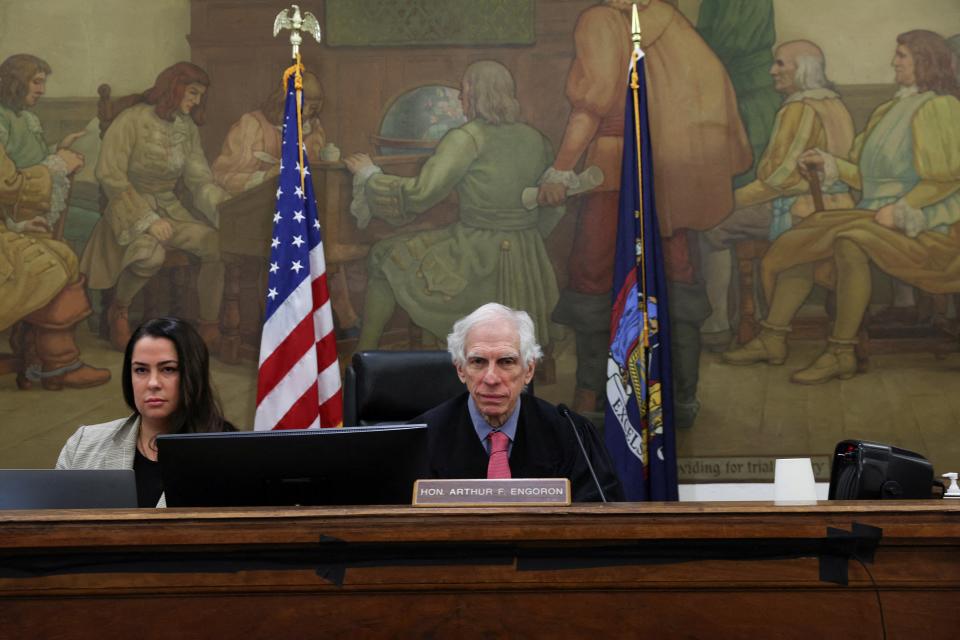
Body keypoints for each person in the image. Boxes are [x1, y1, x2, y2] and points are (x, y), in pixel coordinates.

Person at [537, 0, 752, 423]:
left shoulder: (599, 21)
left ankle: (591, 398)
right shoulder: (672, 21)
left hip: (613, 175)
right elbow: (709, 95)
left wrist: (560, 170)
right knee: (676, 277)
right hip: (670, 180)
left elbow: (592, 105)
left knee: (595, 277)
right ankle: (681, 397)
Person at [723, 30, 960, 384]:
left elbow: (945, 179)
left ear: (925, 62)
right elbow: (867, 176)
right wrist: (827, 163)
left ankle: (841, 351)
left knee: (847, 242)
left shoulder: (941, 107)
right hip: (877, 217)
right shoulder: (889, 109)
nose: (894, 62)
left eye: (902, 56)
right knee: (807, 238)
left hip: (931, 224)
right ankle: (773, 337)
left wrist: (903, 208)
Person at [344, 60, 563, 352]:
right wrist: (521, 233)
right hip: (529, 262)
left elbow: (420, 194)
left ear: (476, 94)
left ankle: (364, 355)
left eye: (464, 90)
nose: (460, 97)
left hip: (477, 259)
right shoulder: (537, 140)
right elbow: (553, 208)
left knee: (383, 256)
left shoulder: (466, 138)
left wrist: (370, 176)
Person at [701, 40, 855, 346]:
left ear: (804, 71)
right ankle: (747, 313)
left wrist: (732, 201)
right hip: (838, 206)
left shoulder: (800, 108)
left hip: (803, 210)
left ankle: (717, 320)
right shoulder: (834, 103)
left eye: (781, 64)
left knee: (711, 224)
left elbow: (780, 179)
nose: (773, 71)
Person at [80, 62, 229, 352]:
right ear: (174, 88)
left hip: (172, 212)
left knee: (216, 244)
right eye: (193, 92)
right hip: (126, 211)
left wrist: (223, 213)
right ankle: (119, 310)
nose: (197, 100)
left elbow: (200, 182)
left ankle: (209, 325)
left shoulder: (186, 129)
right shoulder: (132, 120)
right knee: (149, 255)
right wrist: (147, 220)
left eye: (201, 95)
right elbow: (109, 174)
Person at [412, 303, 624, 502]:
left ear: (529, 370)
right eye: (478, 361)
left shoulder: (572, 434)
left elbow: (600, 522)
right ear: (460, 369)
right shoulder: (422, 438)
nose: (491, 378)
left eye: (506, 362)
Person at [211, 71, 359, 336]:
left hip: (299, 211)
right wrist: (268, 176)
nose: (312, 111)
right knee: (279, 249)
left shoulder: (313, 129)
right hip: (252, 212)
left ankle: (342, 318)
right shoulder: (251, 125)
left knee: (328, 245)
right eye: (306, 103)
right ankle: (280, 328)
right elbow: (223, 175)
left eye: (316, 106)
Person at [0, 53, 110, 390]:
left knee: (63, 255)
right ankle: (54, 363)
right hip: (8, 222)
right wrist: (56, 165)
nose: (43, 90)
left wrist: (57, 154)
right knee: (46, 263)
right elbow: (8, 185)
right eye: (37, 82)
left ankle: (53, 361)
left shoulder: (22, 118)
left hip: (9, 223)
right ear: (17, 82)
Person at [56, 317, 235, 507]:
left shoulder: (230, 456)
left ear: (193, 373)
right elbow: (51, 530)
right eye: (141, 370)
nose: (152, 383)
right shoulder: (83, 444)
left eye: (168, 369)